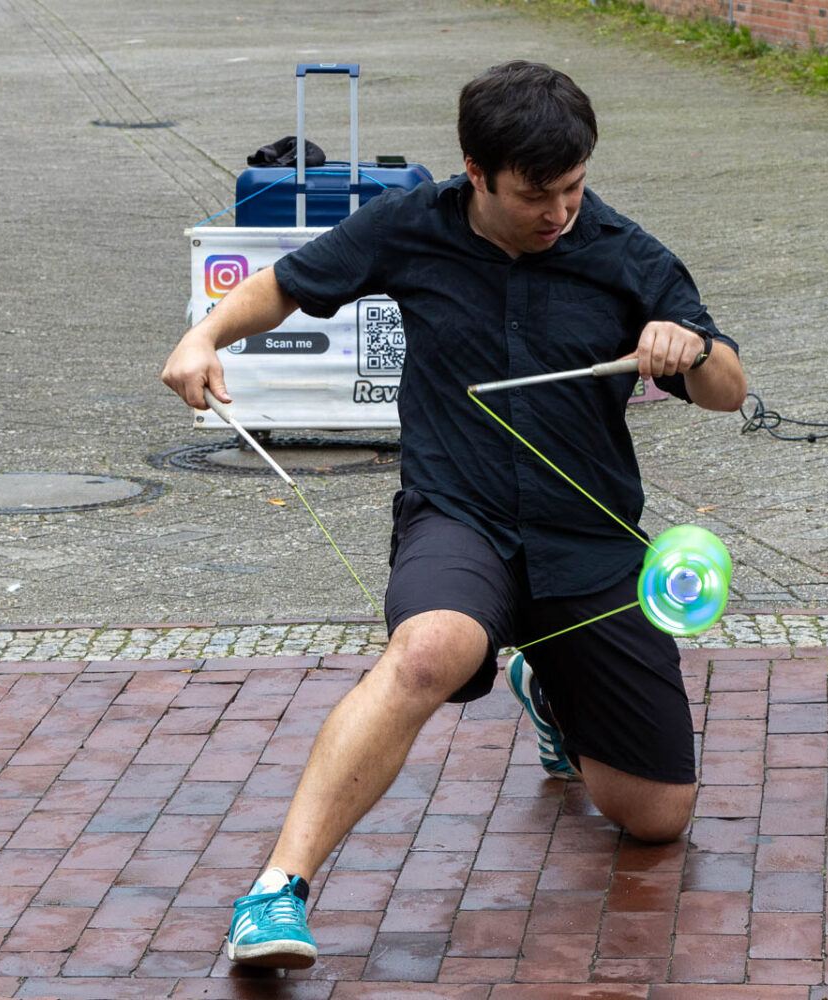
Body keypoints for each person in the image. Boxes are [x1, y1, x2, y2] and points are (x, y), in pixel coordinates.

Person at [161, 60, 747, 970]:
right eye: (535, 195)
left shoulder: (625, 250)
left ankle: (556, 692)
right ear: (476, 173)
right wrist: (201, 337)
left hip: (587, 541)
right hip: (458, 515)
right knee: (431, 651)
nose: (559, 213)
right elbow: (287, 285)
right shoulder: (410, 225)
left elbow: (728, 392)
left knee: (656, 818)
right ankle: (275, 893)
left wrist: (693, 349)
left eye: (574, 188)